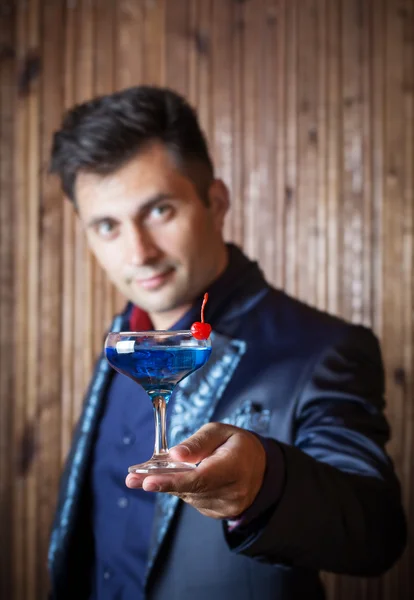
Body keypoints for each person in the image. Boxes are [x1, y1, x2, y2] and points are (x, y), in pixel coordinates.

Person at [47, 86, 406, 600]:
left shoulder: (325, 349)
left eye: (159, 211)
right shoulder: (120, 344)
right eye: (107, 225)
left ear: (215, 202)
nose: (138, 252)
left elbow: (377, 532)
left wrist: (264, 486)